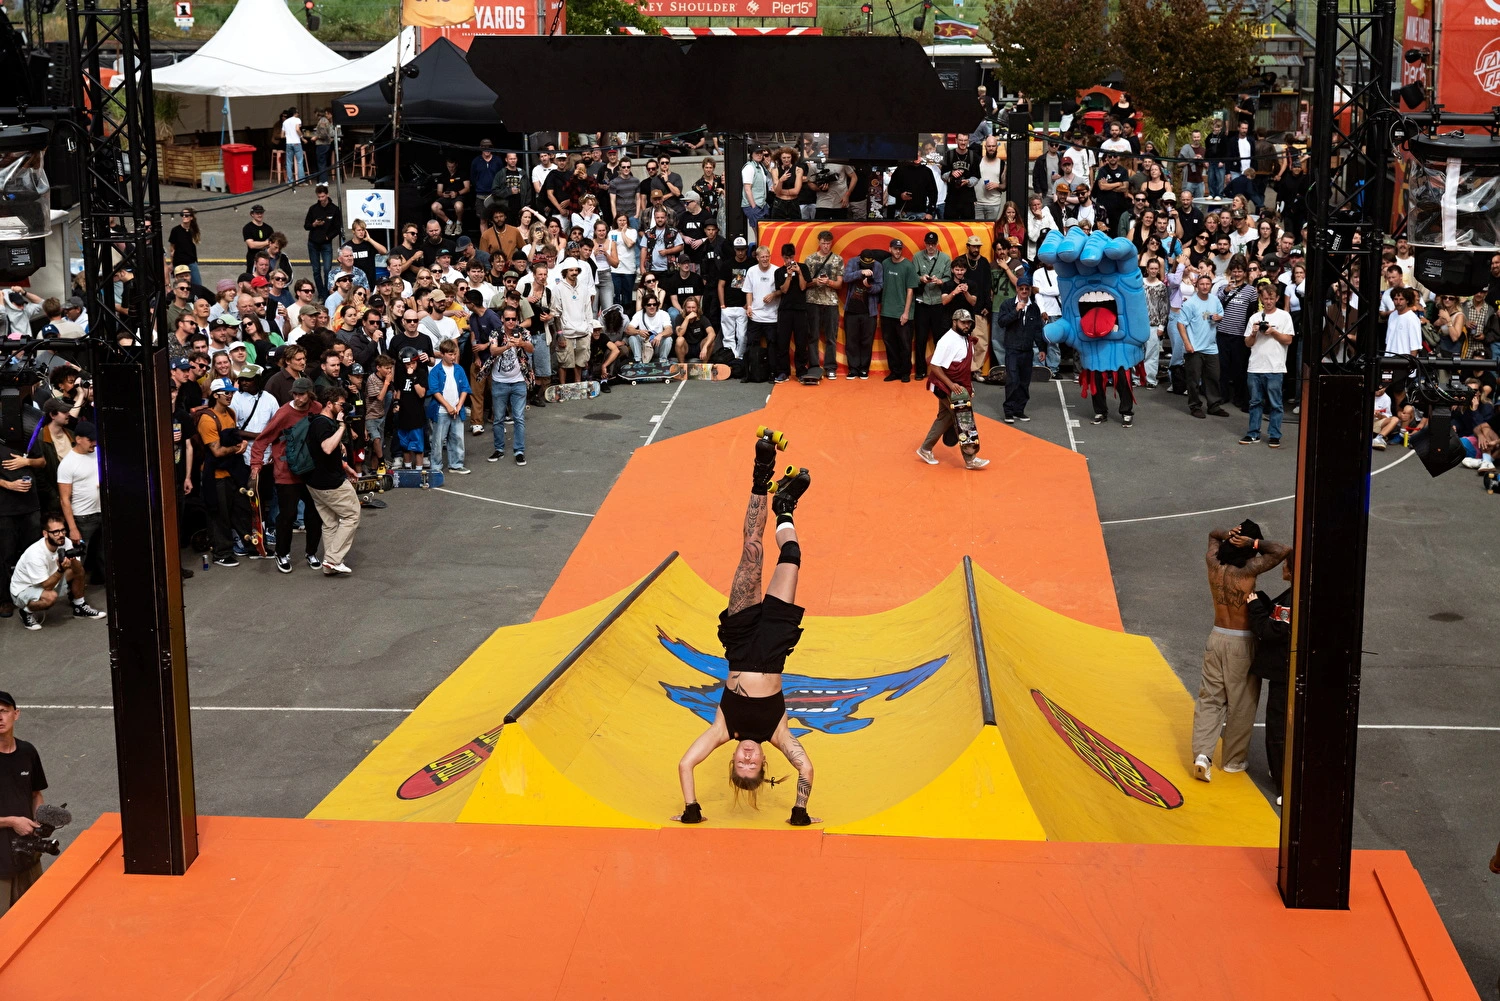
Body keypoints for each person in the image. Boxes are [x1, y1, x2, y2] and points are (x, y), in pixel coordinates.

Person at [674, 435, 816, 827]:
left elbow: (686, 764)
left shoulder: (724, 728)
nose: (748, 758)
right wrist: (799, 811)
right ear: (765, 761)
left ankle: (761, 475)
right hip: (773, 646)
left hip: (739, 640)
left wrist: (692, 810)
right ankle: (784, 508)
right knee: (792, 556)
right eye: (754, 764)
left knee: (752, 549)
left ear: (734, 758)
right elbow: (806, 769)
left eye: (742, 763)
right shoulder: (779, 734)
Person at [1192, 521, 1289, 782]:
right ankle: (1233, 761)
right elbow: (1282, 551)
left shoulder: (1213, 562)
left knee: (1210, 699)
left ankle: (1202, 754)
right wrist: (1252, 543)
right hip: (1242, 641)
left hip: (1216, 636)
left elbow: (1212, 533)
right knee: (1241, 703)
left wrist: (1228, 534)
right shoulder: (1247, 571)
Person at [249, 377, 326, 575]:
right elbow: (262, 440)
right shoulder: (283, 413)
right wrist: (256, 465)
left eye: (302, 394)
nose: (298, 398)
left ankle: (311, 553)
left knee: (314, 514)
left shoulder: (317, 408)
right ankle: (282, 553)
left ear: (310, 394)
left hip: (311, 471)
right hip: (287, 472)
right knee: (288, 515)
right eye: (295, 394)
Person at [1247, 548, 1293, 804]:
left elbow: (1270, 631)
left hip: (1284, 674)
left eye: (1286, 564)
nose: (1282, 568)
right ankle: (1282, 771)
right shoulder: (1294, 595)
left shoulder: (1289, 602)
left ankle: (1284, 784)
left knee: (1278, 728)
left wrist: (1254, 606)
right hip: (1292, 671)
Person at [916, 309, 989, 470]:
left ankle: (925, 449)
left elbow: (963, 369)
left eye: (968, 322)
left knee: (945, 418)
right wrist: (952, 386)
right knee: (963, 419)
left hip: (959, 385)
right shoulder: (947, 340)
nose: (966, 325)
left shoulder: (965, 338)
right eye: (963, 322)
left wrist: (969, 386)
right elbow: (935, 366)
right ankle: (970, 459)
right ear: (954, 322)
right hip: (946, 386)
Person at [9, 512, 106, 630]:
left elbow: (78, 570)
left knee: (79, 570)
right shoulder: (35, 554)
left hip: (49, 578)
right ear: (45, 534)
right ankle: (25, 611)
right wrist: (60, 570)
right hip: (24, 589)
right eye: (56, 532)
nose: (61, 535)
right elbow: (46, 586)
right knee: (50, 596)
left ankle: (79, 606)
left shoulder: (66, 542)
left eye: (63, 530)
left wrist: (73, 558)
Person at [0, 689, 48, 915]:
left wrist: (39, 821)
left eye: (3, 711)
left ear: (16, 714)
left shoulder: (27, 752)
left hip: (27, 856)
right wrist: (11, 822)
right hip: (0, 864)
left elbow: (35, 794)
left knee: (35, 917)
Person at [303, 385, 359, 576]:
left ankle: (331, 564)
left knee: (329, 522)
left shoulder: (323, 423)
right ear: (329, 404)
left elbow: (326, 454)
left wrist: (346, 467)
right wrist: (342, 426)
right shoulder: (323, 423)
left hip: (316, 482)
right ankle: (333, 559)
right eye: (341, 405)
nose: (344, 409)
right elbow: (327, 448)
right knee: (352, 515)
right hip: (330, 483)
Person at [1240, 278, 1295, 448]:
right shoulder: (1255, 317)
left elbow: (1288, 340)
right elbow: (1247, 343)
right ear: (1261, 298)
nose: (1268, 301)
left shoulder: (1284, 316)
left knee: (1275, 404)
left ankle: (1274, 434)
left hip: (1275, 367)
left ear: (1277, 298)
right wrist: (1255, 333)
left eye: (1271, 298)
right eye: (1265, 298)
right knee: (1255, 402)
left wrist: (1273, 332)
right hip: (1255, 366)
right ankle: (1253, 433)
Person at [993, 280, 1048, 424]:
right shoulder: (1008, 304)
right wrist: (1016, 310)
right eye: (1021, 288)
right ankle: (1009, 411)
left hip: (1027, 350)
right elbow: (1001, 322)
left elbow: (1037, 329)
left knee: (1024, 382)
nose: (1024, 291)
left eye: (1026, 289)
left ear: (1030, 290)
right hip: (1012, 349)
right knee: (1012, 380)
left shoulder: (1034, 308)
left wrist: (1041, 348)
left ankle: (1019, 410)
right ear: (1017, 289)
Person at [487, 306, 533, 465]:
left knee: (519, 418)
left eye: (514, 319)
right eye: (508, 319)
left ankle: (519, 451)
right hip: (499, 381)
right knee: (498, 418)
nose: (511, 322)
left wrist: (521, 343)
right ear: (502, 320)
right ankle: (499, 449)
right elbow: (492, 351)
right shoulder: (495, 333)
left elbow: (531, 349)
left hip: (519, 381)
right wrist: (506, 346)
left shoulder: (523, 332)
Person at [1179, 273, 1228, 420]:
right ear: (1196, 286)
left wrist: (1219, 317)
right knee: (1193, 380)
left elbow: (1220, 314)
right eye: (1202, 284)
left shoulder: (1214, 300)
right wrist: (1187, 343)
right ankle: (1195, 406)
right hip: (1194, 347)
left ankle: (1214, 406)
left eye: (1207, 284)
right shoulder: (1190, 303)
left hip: (1211, 347)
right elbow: (1181, 323)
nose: (1205, 286)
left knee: (1213, 377)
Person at [55, 420, 101, 563]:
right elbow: (64, 499)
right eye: (90, 440)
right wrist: (73, 528)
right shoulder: (67, 464)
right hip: (83, 517)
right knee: (80, 559)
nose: (94, 443)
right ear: (78, 439)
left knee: (104, 554)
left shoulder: (99, 453)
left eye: (95, 439)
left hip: (102, 512)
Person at [425, 339, 471, 476]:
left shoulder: (459, 369)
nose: (453, 357)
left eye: (455, 354)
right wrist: (448, 406)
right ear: (443, 354)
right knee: (438, 440)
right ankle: (436, 466)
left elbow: (465, 389)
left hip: (457, 409)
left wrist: (459, 405)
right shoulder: (435, 371)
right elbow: (435, 391)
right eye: (450, 354)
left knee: (458, 438)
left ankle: (456, 464)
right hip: (441, 410)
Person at [880, 239, 918, 382]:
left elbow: (910, 291)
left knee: (905, 344)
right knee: (889, 343)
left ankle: (905, 372)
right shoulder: (885, 264)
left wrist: (906, 312)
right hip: (886, 311)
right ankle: (894, 371)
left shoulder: (908, 266)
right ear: (889, 249)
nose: (898, 251)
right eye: (895, 248)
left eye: (900, 249)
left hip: (902, 312)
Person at [772, 244, 810, 382]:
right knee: (782, 342)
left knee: (801, 342)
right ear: (782, 257)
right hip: (785, 310)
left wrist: (799, 272)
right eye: (787, 258)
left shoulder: (803, 268)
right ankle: (783, 372)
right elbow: (783, 290)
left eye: (791, 257)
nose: (789, 260)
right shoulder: (778, 272)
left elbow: (803, 287)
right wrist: (788, 276)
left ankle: (801, 371)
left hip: (800, 310)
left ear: (795, 255)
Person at [304, 184, 342, 302]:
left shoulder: (334, 209)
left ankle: (327, 292)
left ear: (327, 195)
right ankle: (321, 293)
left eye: (323, 197)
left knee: (327, 270)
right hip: (313, 242)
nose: (321, 199)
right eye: (319, 197)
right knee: (316, 270)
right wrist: (314, 224)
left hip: (326, 243)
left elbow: (337, 228)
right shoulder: (313, 209)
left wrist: (328, 237)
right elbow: (306, 226)